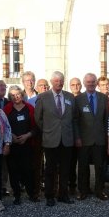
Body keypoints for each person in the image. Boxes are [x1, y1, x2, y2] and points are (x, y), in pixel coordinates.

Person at [34, 71, 77, 206]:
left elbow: (74, 117)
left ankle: (63, 194)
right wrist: (47, 130)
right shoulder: (43, 97)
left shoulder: (70, 97)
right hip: (50, 138)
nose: (59, 83)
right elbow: (38, 118)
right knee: (50, 169)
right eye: (56, 81)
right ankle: (49, 196)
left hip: (67, 138)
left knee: (65, 169)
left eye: (61, 81)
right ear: (52, 82)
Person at [74, 73, 109, 200]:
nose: (91, 84)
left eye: (93, 82)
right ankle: (83, 190)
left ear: (96, 83)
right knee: (83, 167)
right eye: (88, 82)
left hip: (99, 139)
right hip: (83, 140)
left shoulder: (103, 98)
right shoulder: (78, 99)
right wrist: (77, 137)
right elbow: (75, 120)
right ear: (84, 83)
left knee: (100, 166)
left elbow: (106, 119)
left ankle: (99, 190)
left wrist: (106, 137)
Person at [4, 85, 39, 203]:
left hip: (27, 144)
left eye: (17, 94)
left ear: (22, 95)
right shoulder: (6, 109)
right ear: (10, 97)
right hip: (12, 145)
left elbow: (36, 127)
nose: (15, 97)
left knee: (28, 170)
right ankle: (17, 195)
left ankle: (31, 193)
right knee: (13, 171)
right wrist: (11, 136)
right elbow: (3, 126)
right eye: (12, 95)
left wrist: (27, 136)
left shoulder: (29, 108)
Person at [0, 79, 11, 197]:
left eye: (4, 86)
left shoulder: (9, 102)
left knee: (4, 164)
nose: (2, 88)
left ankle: (3, 187)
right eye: (0, 86)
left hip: (6, 137)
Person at [68, 77, 82, 195]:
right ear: (70, 86)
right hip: (70, 136)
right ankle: (72, 185)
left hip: (84, 135)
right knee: (71, 163)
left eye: (78, 84)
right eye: (73, 85)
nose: (76, 86)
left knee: (83, 163)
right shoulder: (68, 98)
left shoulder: (84, 98)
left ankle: (83, 186)